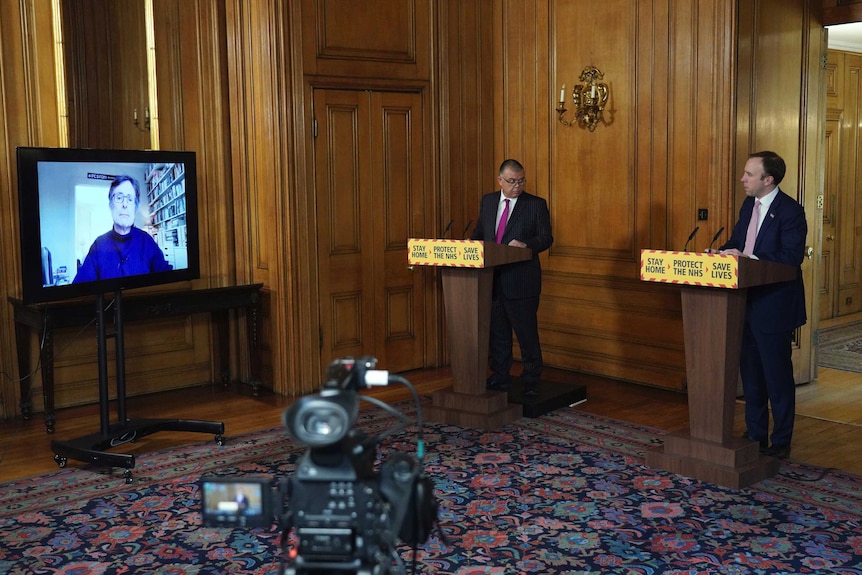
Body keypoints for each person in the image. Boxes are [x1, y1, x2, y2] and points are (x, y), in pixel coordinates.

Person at [715, 150, 807, 460]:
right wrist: (722, 252)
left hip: (775, 305)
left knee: (776, 376)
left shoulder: (791, 212)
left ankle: (781, 440)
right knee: (751, 375)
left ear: (768, 180)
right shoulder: (747, 205)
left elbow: (790, 260)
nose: (742, 178)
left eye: (749, 174)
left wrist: (749, 259)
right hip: (745, 302)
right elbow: (739, 241)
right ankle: (756, 434)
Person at [470, 159, 553, 396]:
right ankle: (500, 377)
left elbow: (546, 238)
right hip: (492, 280)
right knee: (498, 334)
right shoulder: (488, 201)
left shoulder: (535, 205)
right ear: (500, 180)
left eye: (521, 181)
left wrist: (526, 244)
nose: (517, 186)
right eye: (512, 181)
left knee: (526, 335)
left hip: (521, 281)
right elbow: (480, 233)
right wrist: (469, 246)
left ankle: (531, 380)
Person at [73, 175, 172, 283]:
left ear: (135, 207)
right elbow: (80, 289)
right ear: (111, 205)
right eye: (119, 198)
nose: (125, 204)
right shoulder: (98, 245)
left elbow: (168, 280)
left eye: (130, 199)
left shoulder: (147, 241)